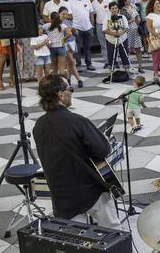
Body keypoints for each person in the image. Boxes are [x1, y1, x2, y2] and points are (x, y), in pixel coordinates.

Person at [33, 74, 121, 228]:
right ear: (61, 95)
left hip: (62, 195)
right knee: (113, 230)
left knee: (77, 240)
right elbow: (102, 151)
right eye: (70, 89)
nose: (72, 92)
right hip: (89, 190)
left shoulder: (39, 126)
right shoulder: (77, 121)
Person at [68, 0, 96, 71]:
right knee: (78, 48)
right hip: (76, 28)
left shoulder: (86, 0)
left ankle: (89, 64)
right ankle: (78, 64)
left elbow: (91, 13)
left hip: (88, 28)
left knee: (88, 47)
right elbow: (68, 16)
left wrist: (92, 26)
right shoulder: (70, 2)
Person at [104, 2, 131, 70]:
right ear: (110, 9)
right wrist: (114, 34)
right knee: (111, 55)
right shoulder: (107, 18)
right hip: (111, 40)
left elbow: (126, 27)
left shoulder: (122, 17)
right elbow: (104, 30)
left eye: (116, 8)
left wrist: (121, 32)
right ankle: (112, 71)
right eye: (112, 8)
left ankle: (126, 70)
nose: (114, 10)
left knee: (124, 55)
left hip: (123, 39)